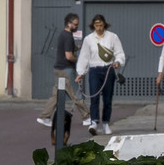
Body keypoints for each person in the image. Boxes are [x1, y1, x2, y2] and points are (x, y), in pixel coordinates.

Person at [76, 12, 125, 135]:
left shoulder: (113, 37)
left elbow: (120, 53)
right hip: (94, 70)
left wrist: (118, 62)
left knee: (108, 99)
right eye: (96, 25)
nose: (99, 28)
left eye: (101, 25)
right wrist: (81, 73)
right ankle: (94, 122)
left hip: (108, 69)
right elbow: (84, 57)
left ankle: (106, 123)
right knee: (94, 97)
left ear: (105, 25)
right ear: (93, 25)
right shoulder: (88, 39)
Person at [38, 10, 82, 143]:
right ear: (69, 24)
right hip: (65, 69)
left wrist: (78, 47)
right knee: (76, 93)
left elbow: (68, 49)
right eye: (75, 24)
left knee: (56, 95)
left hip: (58, 68)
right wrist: (78, 60)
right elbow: (69, 56)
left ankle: (44, 116)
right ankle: (88, 117)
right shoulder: (68, 36)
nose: (77, 26)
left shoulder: (63, 35)